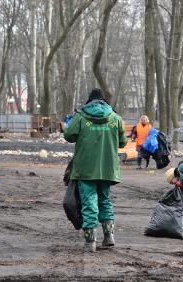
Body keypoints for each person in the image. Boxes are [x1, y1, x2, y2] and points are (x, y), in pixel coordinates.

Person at [64, 88, 127, 252]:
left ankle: (90, 242)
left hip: (85, 168)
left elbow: (68, 135)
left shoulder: (81, 116)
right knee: (104, 200)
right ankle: (109, 236)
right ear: (104, 101)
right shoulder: (115, 118)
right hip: (108, 168)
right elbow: (123, 142)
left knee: (89, 203)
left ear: (89, 101)